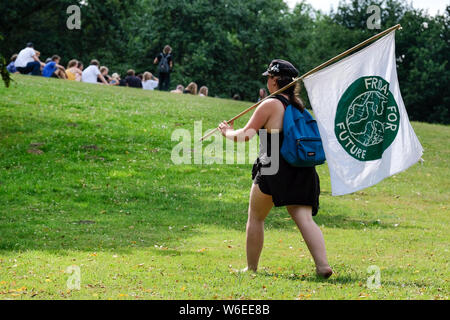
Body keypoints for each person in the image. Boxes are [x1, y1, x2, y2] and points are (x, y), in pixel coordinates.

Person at [217, 59, 332, 278]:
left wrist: (226, 131)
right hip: (302, 166)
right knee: (304, 218)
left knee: (256, 217)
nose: (267, 81)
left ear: (274, 80)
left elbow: (245, 135)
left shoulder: (270, 104)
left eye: (269, 77)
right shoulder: (297, 105)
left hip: (273, 166)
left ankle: (251, 268)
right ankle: (322, 265)